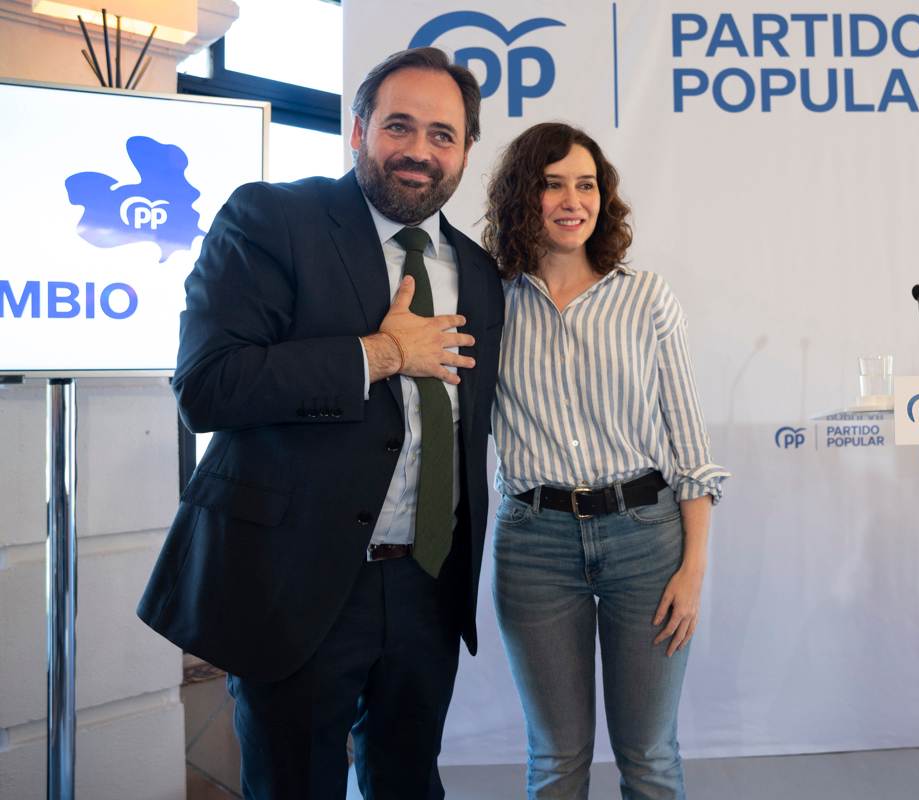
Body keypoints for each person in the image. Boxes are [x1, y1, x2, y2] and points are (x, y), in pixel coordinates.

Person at [137, 47, 504, 799]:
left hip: (427, 582)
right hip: (294, 582)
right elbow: (208, 387)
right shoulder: (273, 217)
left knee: (407, 783)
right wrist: (379, 353)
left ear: (466, 149)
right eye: (399, 127)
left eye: (443, 135)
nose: (419, 152)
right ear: (359, 129)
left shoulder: (478, 272)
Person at [482, 122, 728, 799]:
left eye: (585, 185)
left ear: (603, 198)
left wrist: (693, 570)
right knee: (555, 760)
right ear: (521, 198)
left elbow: (690, 449)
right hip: (534, 546)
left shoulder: (647, 297)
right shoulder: (489, 303)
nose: (572, 200)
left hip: (645, 541)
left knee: (648, 755)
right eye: (552, 184)